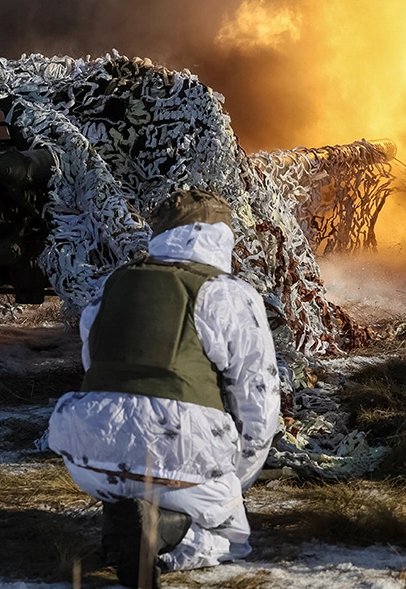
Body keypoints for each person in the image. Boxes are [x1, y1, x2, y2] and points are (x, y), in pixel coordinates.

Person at [47, 188, 280, 588]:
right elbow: (258, 397)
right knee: (232, 536)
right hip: (182, 457)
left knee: (132, 484)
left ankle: (122, 529)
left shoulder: (112, 285)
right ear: (222, 236)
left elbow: (96, 367)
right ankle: (162, 534)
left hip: (88, 457)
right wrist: (233, 481)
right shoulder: (229, 294)